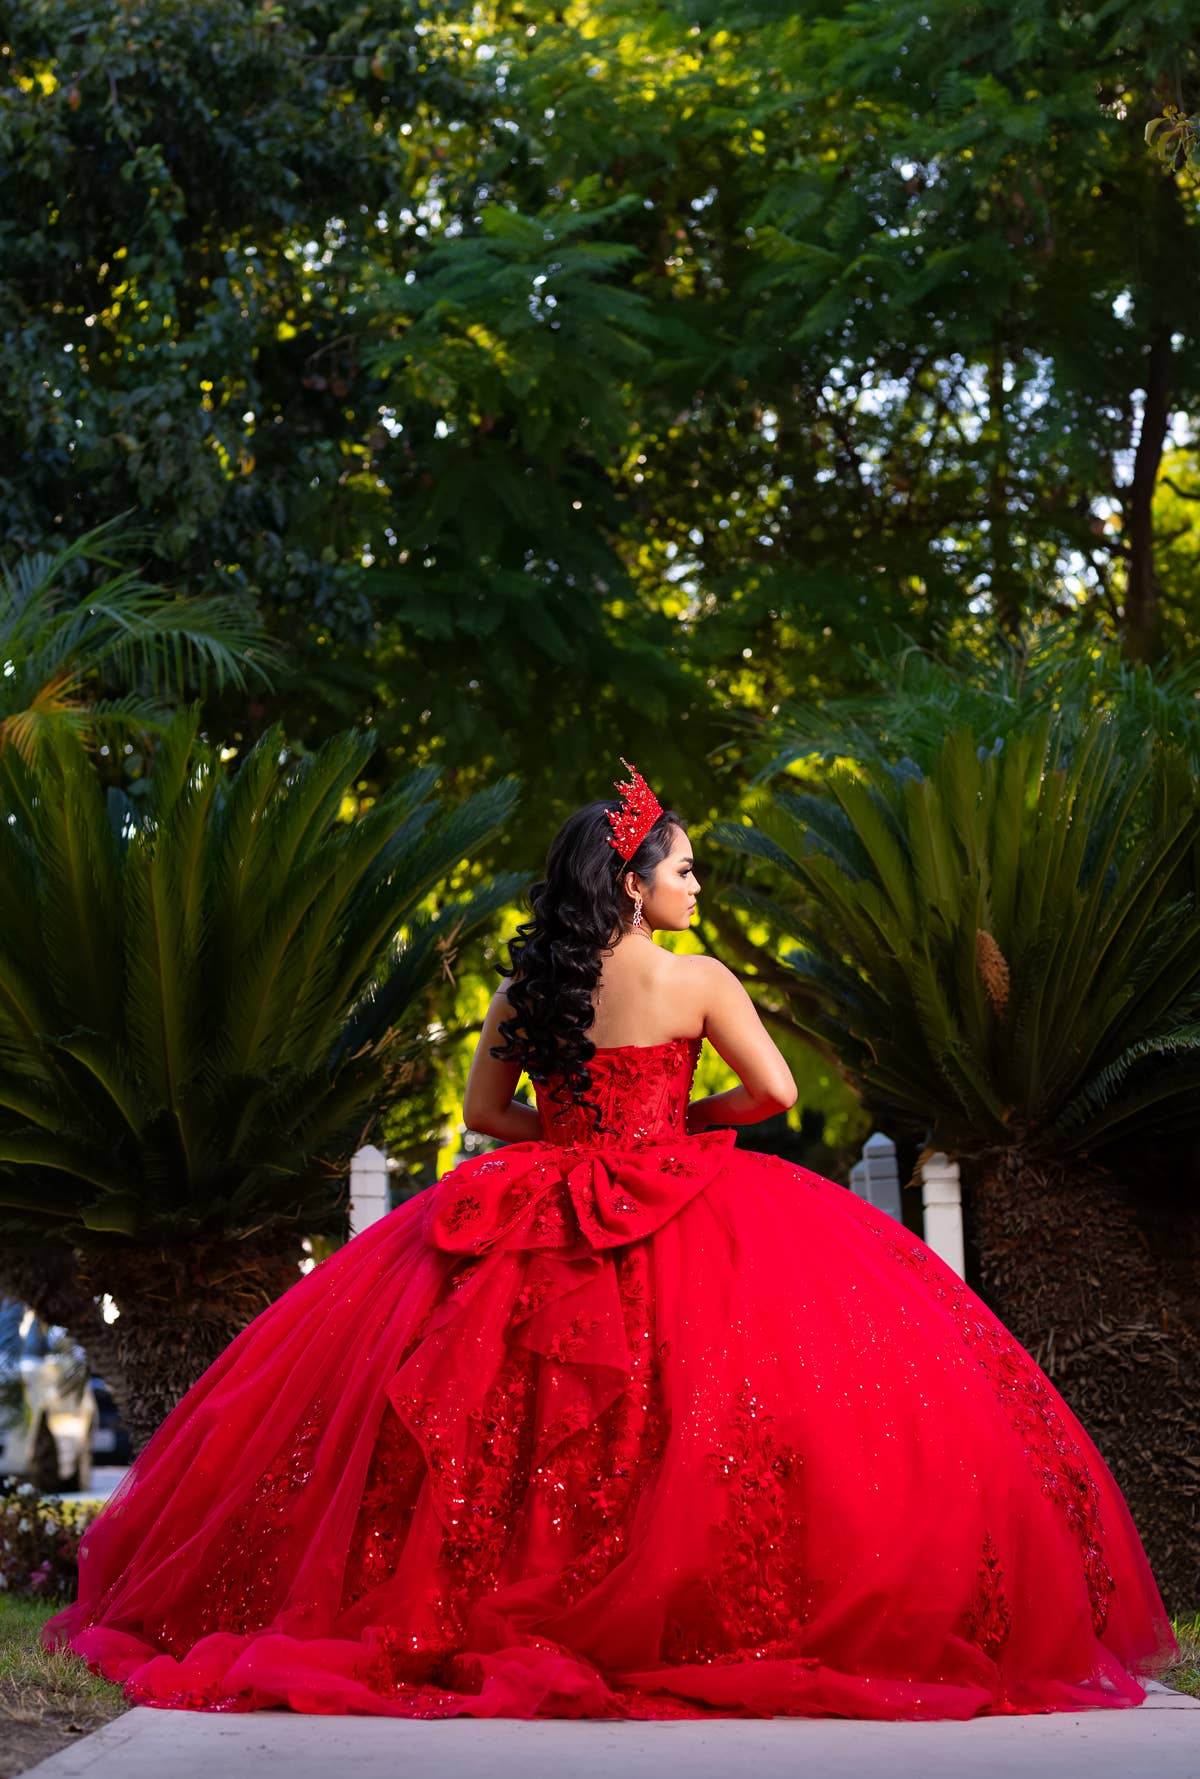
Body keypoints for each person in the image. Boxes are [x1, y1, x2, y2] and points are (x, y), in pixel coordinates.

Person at [42, 760, 1179, 1720]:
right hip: (680, 1192)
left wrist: (571, 1139)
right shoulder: (695, 981)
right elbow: (774, 1092)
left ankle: (479, 1602)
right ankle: (646, 1607)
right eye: (683, 869)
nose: (697, 885)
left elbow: (487, 1119)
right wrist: (677, 1130)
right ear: (632, 886)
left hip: (541, 1188)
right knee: (696, 1411)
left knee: (495, 1418)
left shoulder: (524, 991)